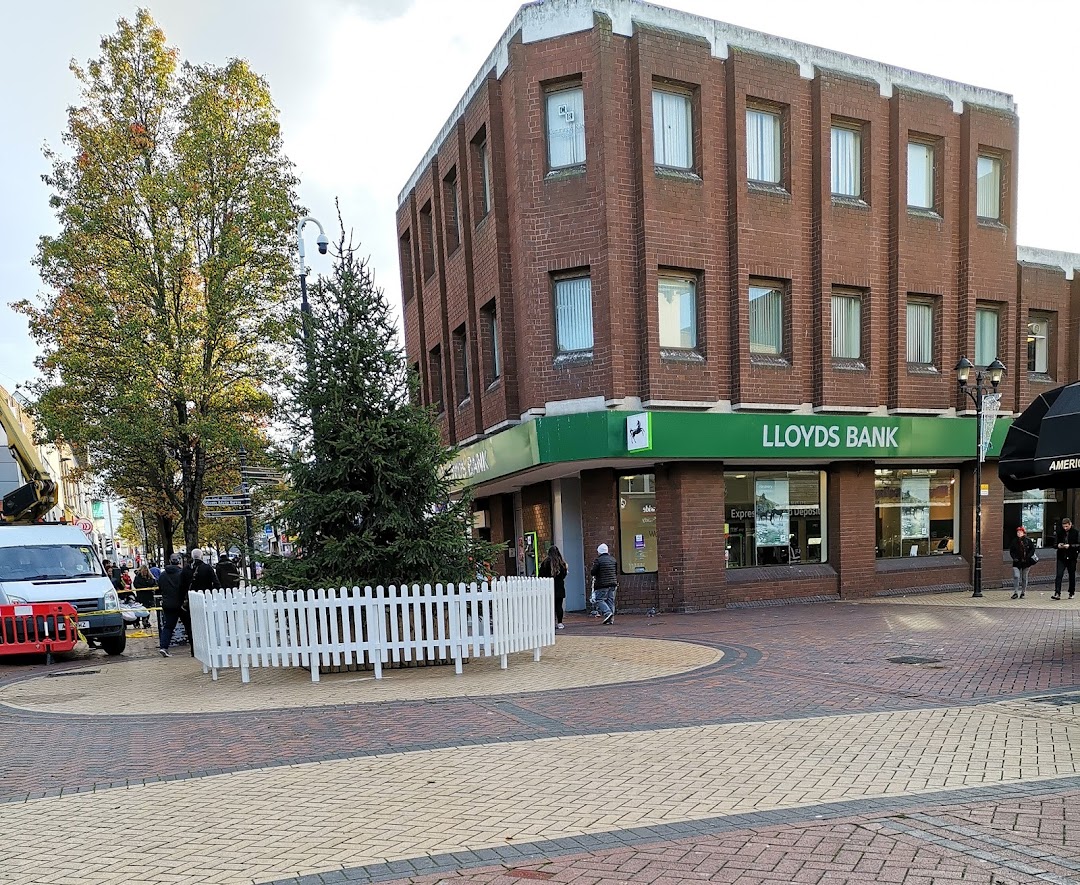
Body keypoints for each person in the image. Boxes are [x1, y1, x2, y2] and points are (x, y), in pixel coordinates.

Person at [156, 553, 190, 658]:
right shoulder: (182, 574)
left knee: (168, 627)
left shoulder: (163, 575)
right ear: (179, 561)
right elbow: (186, 587)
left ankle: (163, 647)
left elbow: (160, 588)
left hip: (168, 604)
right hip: (181, 604)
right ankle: (194, 648)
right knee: (188, 626)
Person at [539, 545, 568, 630]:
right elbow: (564, 575)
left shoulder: (545, 563)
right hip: (559, 587)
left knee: (550, 606)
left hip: (548, 587)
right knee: (559, 606)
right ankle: (560, 623)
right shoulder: (562, 563)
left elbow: (541, 575)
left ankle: (551, 622)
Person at [1051, 517, 1079, 600]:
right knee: (1059, 575)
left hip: (1071, 557)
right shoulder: (1060, 533)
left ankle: (1071, 592)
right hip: (1061, 556)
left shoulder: (1076, 533)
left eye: (1067, 526)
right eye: (1064, 526)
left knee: (1071, 575)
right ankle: (1057, 592)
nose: (1065, 528)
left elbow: (1078, 545)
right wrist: (1058, 545)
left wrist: (1070, 546)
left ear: (1070, 524)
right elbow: (1054, 544)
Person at [590, 543, 618, 626]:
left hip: (602, 584)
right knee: (610, 600)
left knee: (599, 599)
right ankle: (611, 619)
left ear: (599, 552)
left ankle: (607, 613)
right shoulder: (613, 559)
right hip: (613, 583)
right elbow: (615, 571)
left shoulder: (598, 560)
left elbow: (593, 572)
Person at [1009, 526, 1037, 600]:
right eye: (1018, 532)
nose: (1018, 533)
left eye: (1020, 532)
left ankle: (1023, 592)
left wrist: (1028, 556)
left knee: (1024, 577)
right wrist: (1014, 558)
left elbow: (1032, 549)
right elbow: (1011, 551)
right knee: (1016, 576)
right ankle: (1015, 592)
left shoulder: (1028, 541)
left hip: (1026, 562)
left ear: (1024, 533)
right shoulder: (1014, 541)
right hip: (1017, 562)